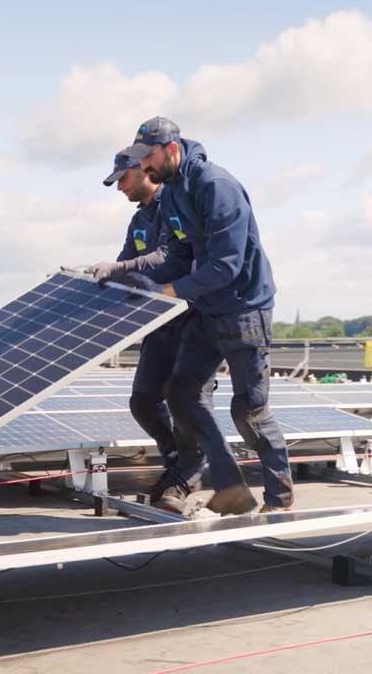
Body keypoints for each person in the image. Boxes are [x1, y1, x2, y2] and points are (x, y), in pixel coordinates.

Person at [118, 116, 294, 515]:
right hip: (207, 310)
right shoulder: (175, 191)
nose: (144, 167)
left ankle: (279, 499)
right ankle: (231, 487)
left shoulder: (217, 187)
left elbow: (225, 266)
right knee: (180, 393)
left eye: (149, 157)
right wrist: (131, 275)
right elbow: (179, 253)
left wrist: (169, 291)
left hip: (244, 311)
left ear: (172, 150)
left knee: (248, 410)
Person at [88, 149, 211, 511]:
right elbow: (126, 266)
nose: (119, 187)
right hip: (157, 325)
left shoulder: (176, 206)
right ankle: (176, 458)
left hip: (191, 320)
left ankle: (185, 477)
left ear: (144, 171)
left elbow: (167, 257)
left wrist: (119, 267)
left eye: (122, 179)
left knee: (186, 401)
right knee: (143, 399)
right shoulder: (139, 220)